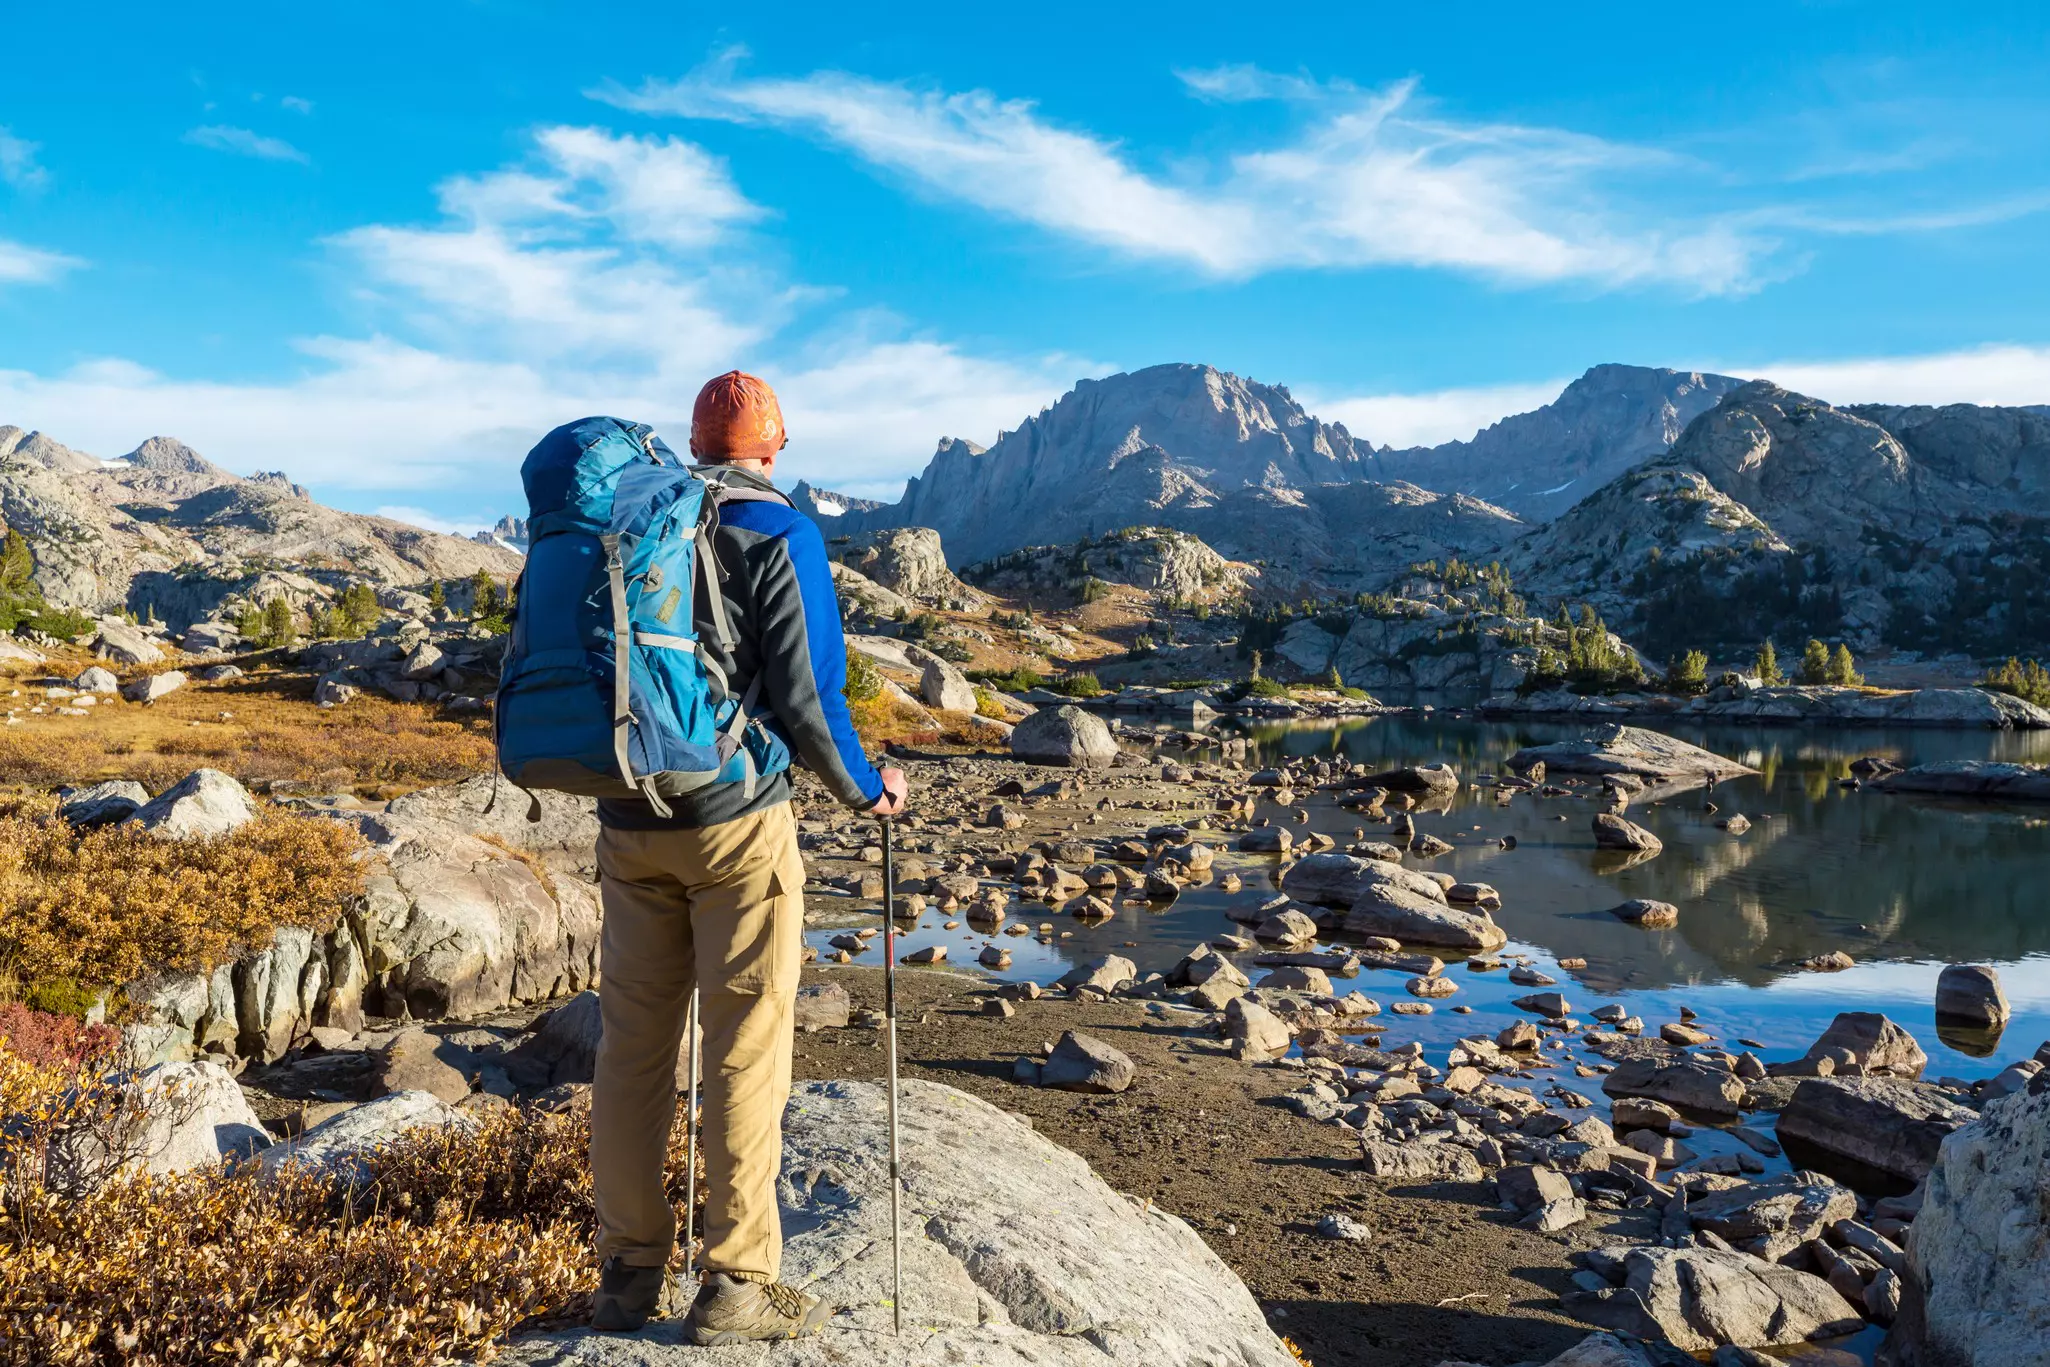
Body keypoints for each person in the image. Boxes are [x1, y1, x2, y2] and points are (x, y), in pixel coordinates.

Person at [586, 370, 908, 1343]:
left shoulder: (639, 516)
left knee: (633, 1046)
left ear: (694, 442)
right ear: (773, 447)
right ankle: (735, 1283)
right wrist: (867, 787)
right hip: (739, 823)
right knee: (744, 1042)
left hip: (631, 814)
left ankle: (628, 1275)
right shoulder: (781, 529)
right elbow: (811, 698)